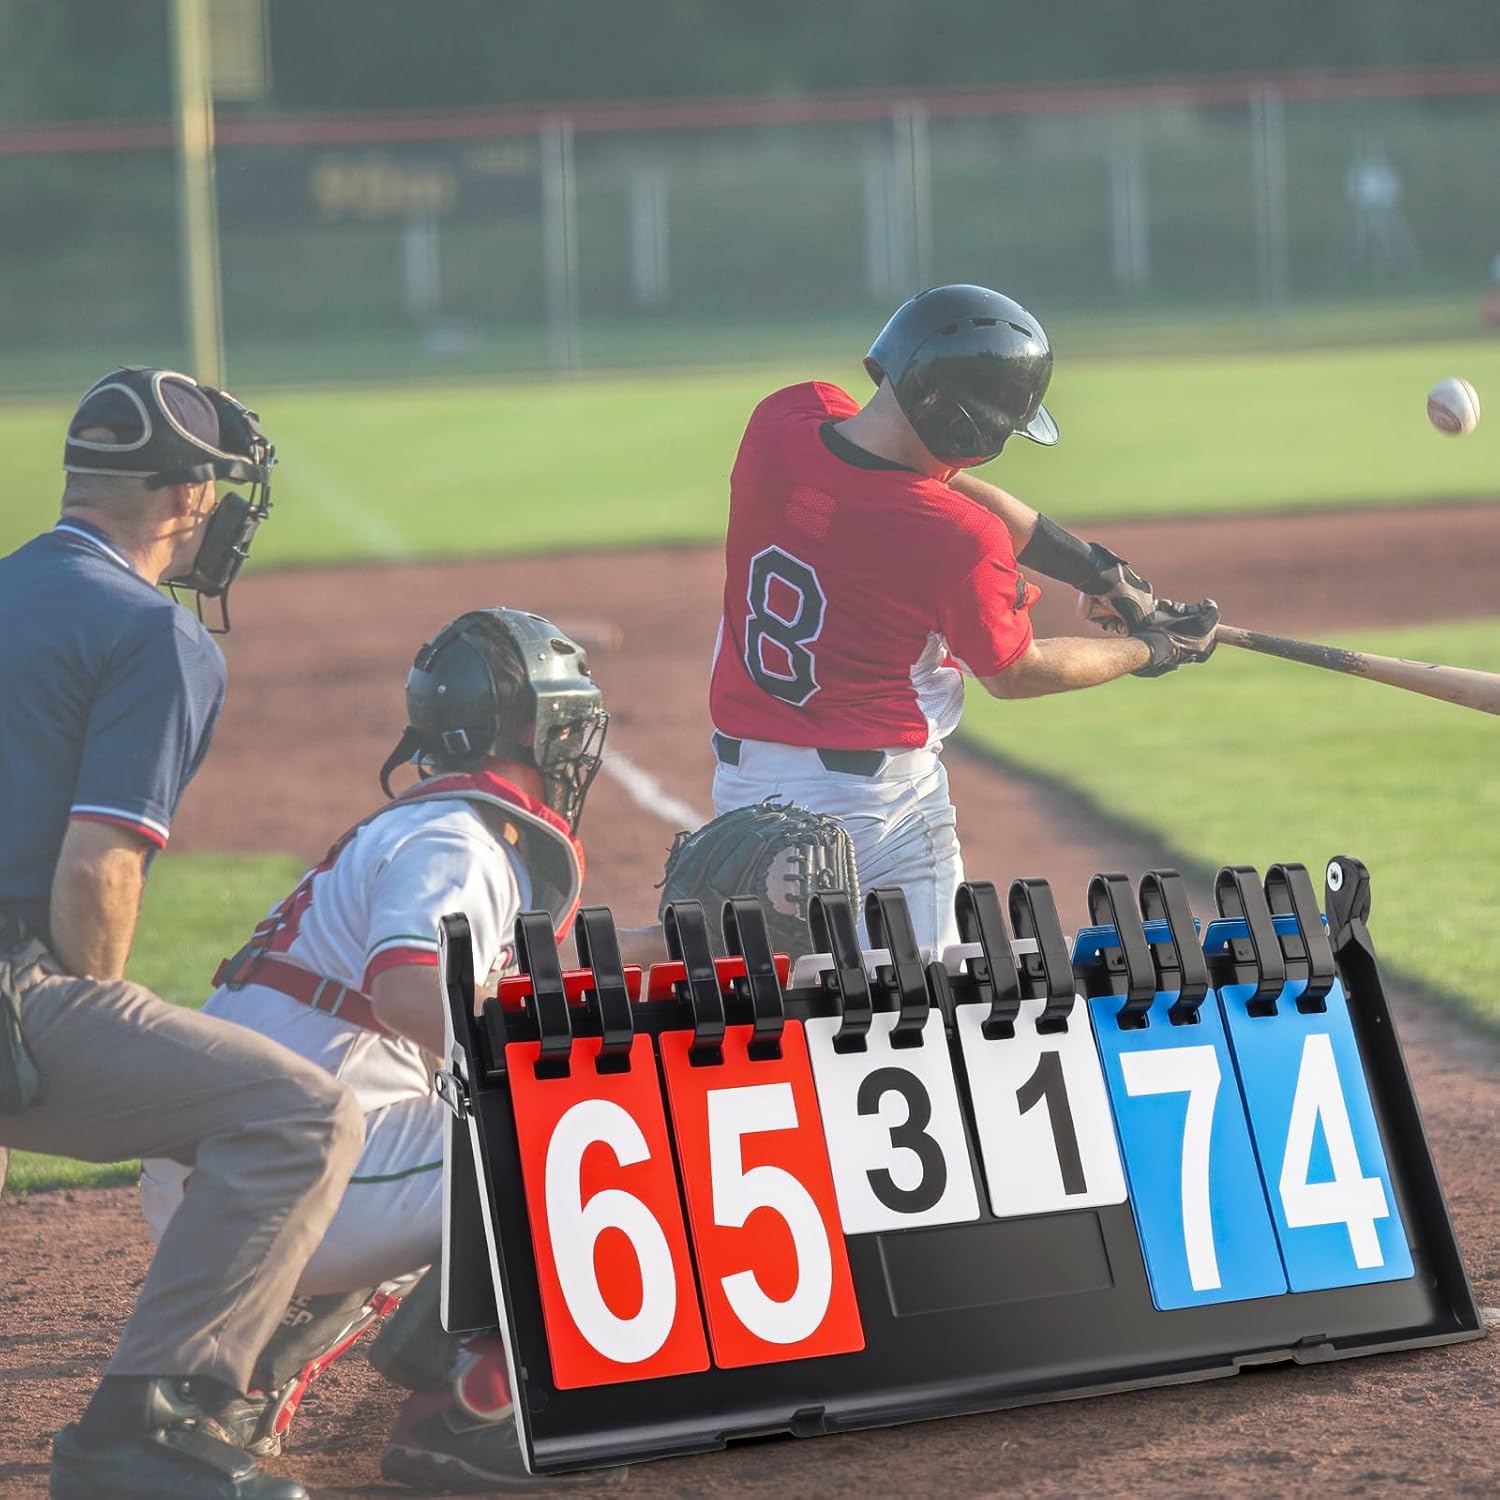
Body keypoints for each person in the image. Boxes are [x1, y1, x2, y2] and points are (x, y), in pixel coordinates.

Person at [141, 605, 645, 1492]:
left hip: (239, 1169)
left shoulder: (430, 830)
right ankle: (470, 1414)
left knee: (457, 1118)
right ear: (525, 732)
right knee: (578, 1132)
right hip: (283, 1174)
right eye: (565, 726)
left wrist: (666, 946)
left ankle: (244, 1376)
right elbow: (410, 992)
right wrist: (554, 1068)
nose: (575, 748)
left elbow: (513, 976)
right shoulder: (458, 842)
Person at [0, 367, 365, 1500]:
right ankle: (145, 1433)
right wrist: (86, 1018)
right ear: (185, 499)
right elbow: (97, 868)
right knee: (301, 1117)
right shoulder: (154, 635)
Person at [707, 284, 1218, 954]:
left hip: (744, 792)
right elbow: (1017, 671)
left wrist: (1096, 570)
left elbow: (909, 470)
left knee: (790, 995)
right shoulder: (957, 538)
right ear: (968, 431)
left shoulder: (782, 421)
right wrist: (1152, 649)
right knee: (921, 1003)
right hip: (876, 814)